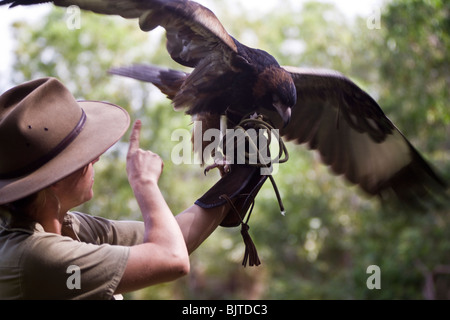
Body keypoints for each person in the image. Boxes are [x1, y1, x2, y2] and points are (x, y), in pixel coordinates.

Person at [0, 77, 268, 299]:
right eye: (83, 156)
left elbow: (175, 239)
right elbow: (171, 259)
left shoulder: (66, 226)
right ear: (56, 179)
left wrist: (237, 177)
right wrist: (145, 183)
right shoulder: (36, 258)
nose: (95, 158)